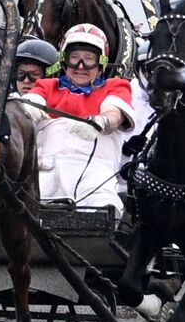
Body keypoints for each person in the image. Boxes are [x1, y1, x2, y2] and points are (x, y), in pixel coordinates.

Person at [19, 24, 135, 211]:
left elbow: (114, 113)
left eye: (89, 59)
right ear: (64, 61)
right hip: (45, 172)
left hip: (93, 174)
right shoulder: (47, 86)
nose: (80, 67)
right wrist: (26, 109)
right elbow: (32, 100)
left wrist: (101, 122)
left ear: (101, 62)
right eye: (74, 58)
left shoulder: (115, 86)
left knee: (103, 209)